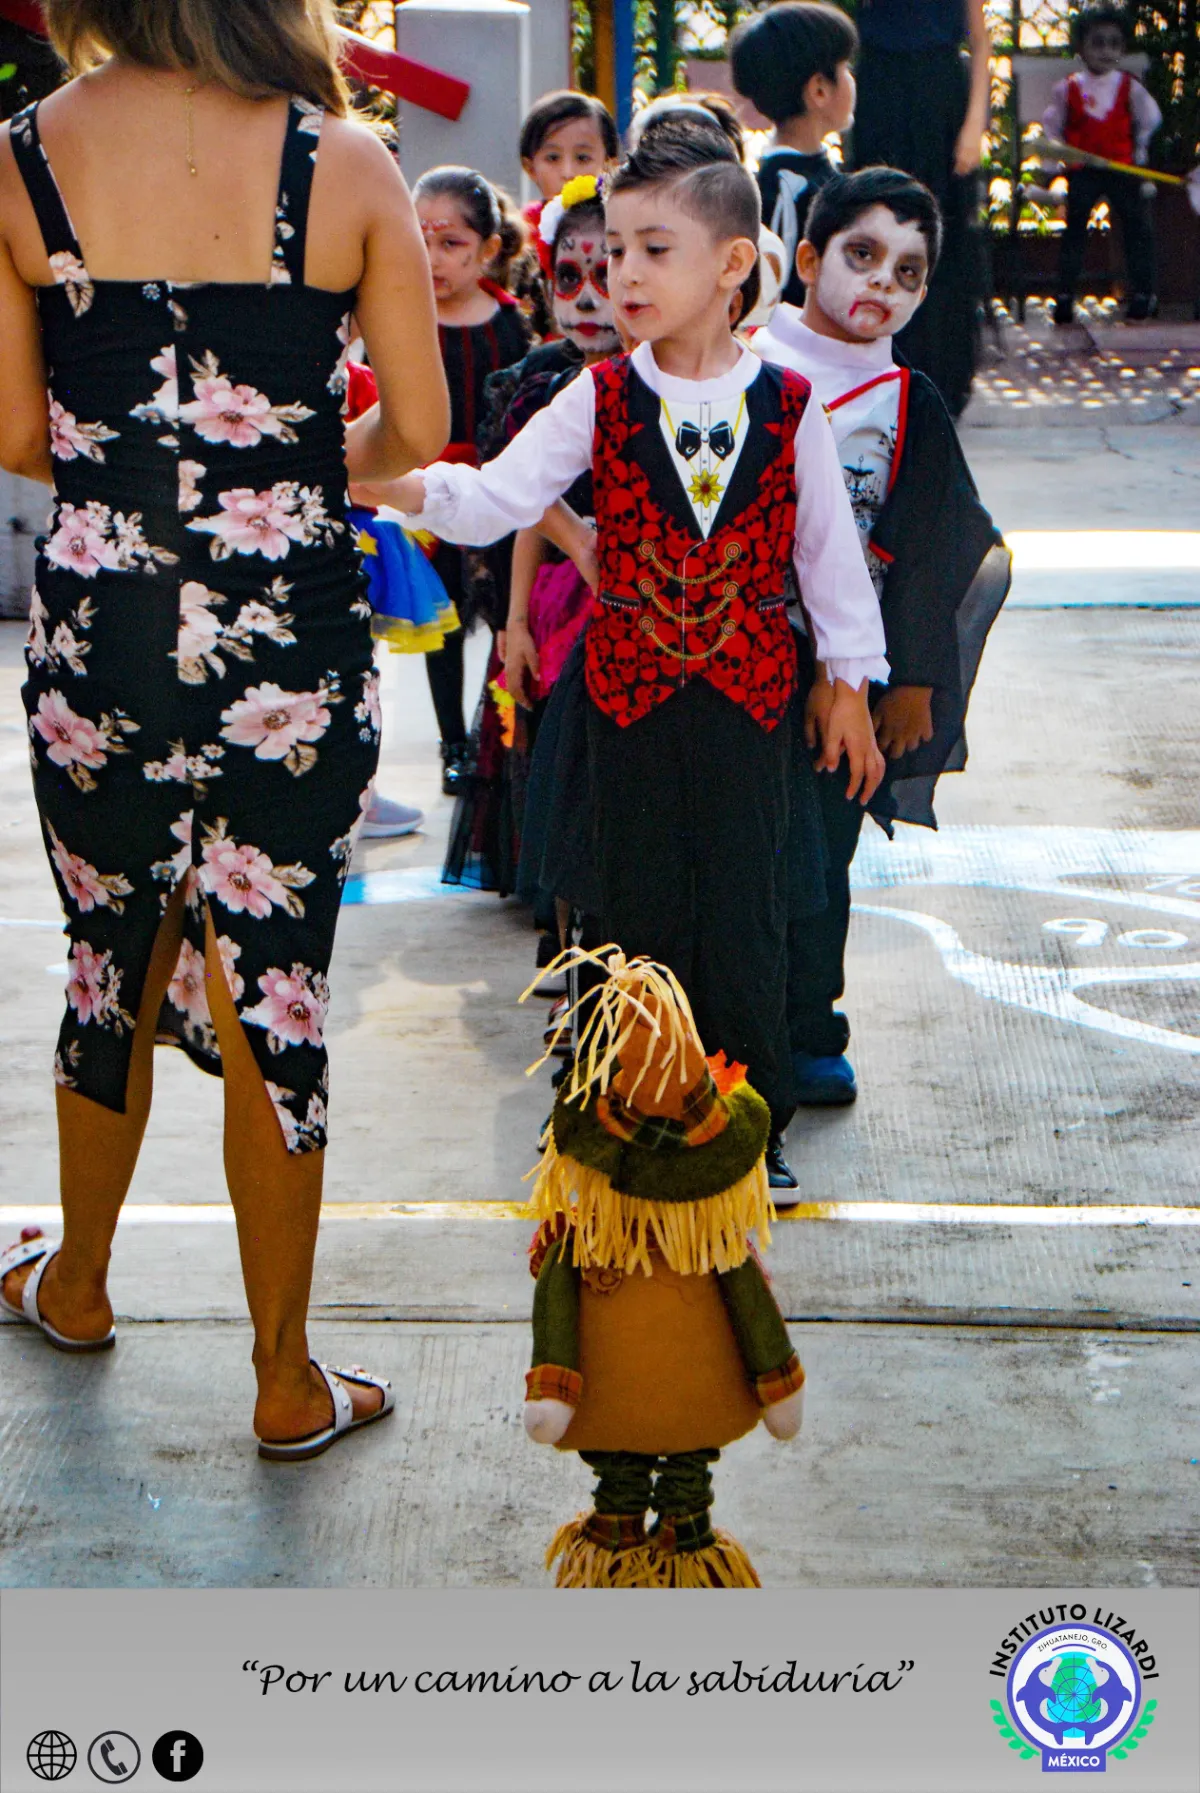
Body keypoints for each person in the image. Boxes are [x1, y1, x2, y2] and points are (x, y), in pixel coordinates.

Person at [0, 0, 449, 1457]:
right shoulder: (350, 164)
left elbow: (19, 434)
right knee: (280, 979)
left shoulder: (22, 158)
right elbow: (423, 433)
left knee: (108, 947)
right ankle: (283, 1374)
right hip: (293, 634)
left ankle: (74, 1283)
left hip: (99, 628)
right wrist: (304, 468)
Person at [358, 129, 889, 1190]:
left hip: (749, 701)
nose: (622, 276)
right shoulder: (596, 396)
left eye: (655, 250)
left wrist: (850, 687)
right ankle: (633, 1114)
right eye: (614, 253)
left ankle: (748, 1127)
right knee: (632, 912)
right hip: (628, 702)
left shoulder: (789, 408)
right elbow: (497, 496)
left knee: (745, 912)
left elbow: (830, 559)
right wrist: (385, 479)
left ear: (734, 264)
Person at [755, 167, 1008, 1110]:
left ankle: (812, 1027)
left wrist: (913, 683)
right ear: (809, 258)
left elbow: (946, 547)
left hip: (845, 684)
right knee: (742, 851)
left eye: (908, 273)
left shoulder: (908, 401)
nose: (881, 287)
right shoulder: (743, 366)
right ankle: (730, 1027)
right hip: (733, 659)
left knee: (823, 851)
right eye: (861, 257)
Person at [412, 166, 530, 795]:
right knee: (443, 620)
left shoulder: (512, 322)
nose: (432, 259)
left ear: (488, 248)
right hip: (424, 493)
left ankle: (499, 736)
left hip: (496, 487)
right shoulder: (400, 315)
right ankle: (451, 742)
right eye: (420, 239)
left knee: (503, 611)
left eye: (451, 243)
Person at [848, 0, 992, 417]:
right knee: (874, 234)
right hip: (879, 93)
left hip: (939, 100)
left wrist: (973, 126)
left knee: (940, 242)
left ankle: (941, 378)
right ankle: (877, 370)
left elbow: (980, 43)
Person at [729, 1, 858, 309]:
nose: (852, 79)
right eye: (845, 69)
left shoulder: (809, 177)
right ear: (819, 91)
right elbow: (778, 298)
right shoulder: (787, 190)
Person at [1043, 5, 1161, 326]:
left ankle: (1142, 293)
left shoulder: (1129, 87)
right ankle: (1065, 295)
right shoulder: (1067, 89)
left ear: (1122, 49)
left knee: (1137, 228)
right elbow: (1052, 128)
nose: (1105, 51)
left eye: (1113, 44)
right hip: (1083, 170)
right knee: (1075, 229)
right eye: (1097, 43)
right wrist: (1054, 162)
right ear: (1081, 47)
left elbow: (1149, 119)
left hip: (1121, 168)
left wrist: (1140, 150)